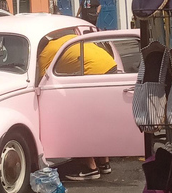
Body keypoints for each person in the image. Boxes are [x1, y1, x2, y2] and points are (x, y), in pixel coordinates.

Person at [37, 34, 116, 180]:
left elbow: (40, 84)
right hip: (109, 66)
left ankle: (89, 168)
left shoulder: (44, 54)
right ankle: (104, 163)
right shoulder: (63, 39)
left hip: (94, 73)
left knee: (79, 123)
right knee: (96, 122)